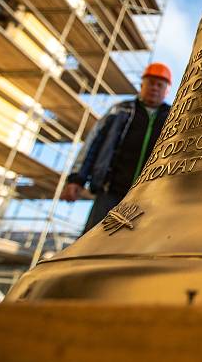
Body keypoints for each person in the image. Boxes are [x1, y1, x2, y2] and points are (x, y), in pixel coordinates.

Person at [60, 62, 173, 234]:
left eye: (160, 85)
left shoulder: (174, 117)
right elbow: (93, 143)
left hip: (151, 196)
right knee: (95, 241)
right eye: (151, 83)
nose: (155, 88)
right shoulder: (120, 110)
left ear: (167, 90)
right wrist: (77, 178)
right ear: (142, 85)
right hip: (111, 191)